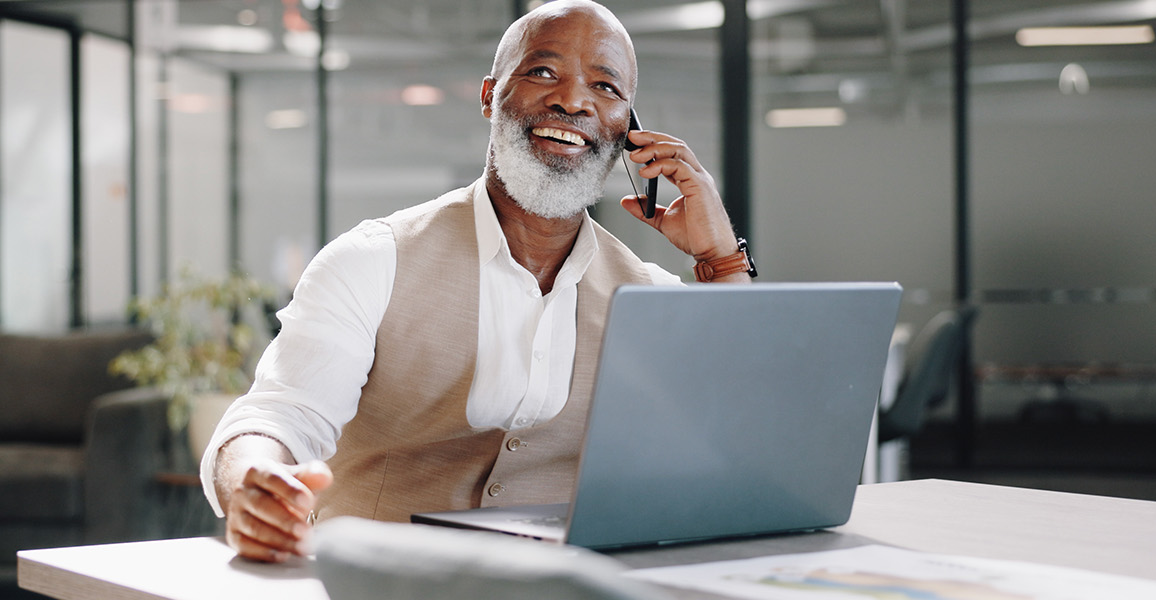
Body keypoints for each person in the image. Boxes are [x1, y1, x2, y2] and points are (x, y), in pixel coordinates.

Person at [200, 0, 753, 563]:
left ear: (627, 131)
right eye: (542, 72)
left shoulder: (646, 296)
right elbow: (278, 416)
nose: (574, 100)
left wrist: (720, 257)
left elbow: (743, 437)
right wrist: (253, 481)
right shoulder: (373, 262)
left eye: (607, 88)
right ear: (490, 97)